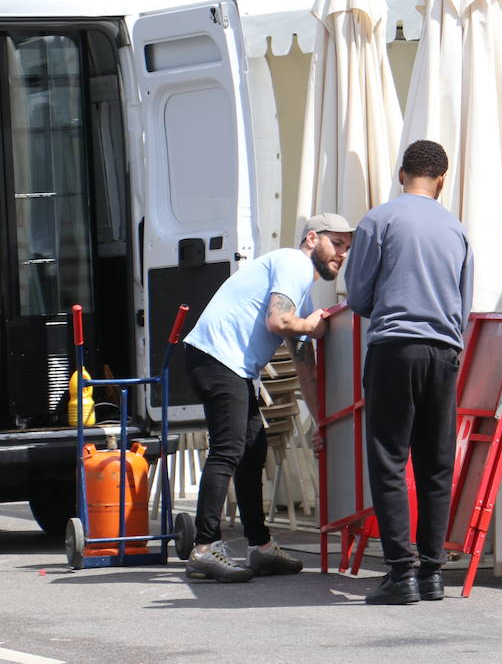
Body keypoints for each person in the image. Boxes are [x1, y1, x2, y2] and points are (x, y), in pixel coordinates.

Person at [182, 213, 354, 582]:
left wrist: (321, 422)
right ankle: (203, 548)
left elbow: (304, 365)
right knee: (229, 449)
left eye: (347, 248)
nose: (342, 255)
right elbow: (278, 322)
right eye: (336, 243)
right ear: (312, 238)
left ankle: (260, 548)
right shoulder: (294, 262)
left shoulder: (298, 287)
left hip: (225, 364)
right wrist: (311, 325)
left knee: (253, 447)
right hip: (217, 358)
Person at [344, 140, 474, 605]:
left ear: (402, 174)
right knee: (436, 464)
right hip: (444, 352)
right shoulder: (457, 230)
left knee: (389, 459)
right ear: (443, 179)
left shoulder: (379, 219)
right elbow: (464, 306)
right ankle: (434, 574)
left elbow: (358, 296)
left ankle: (401, 573)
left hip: (394, 348)